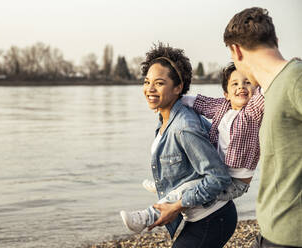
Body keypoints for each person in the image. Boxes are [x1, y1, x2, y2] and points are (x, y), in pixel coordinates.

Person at [120, 43, 237, 248]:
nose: (150, 89)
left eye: (159, 83)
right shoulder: (166, 118)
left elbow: (218, 177)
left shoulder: (184, 127)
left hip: (212, 217)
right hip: (199, 216)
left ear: (178, 87)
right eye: (147, 82)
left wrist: (176, 205)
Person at [224, 7, 302, 248]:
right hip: (271, 231)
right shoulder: (272, 89)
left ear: (236, 50)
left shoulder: (295, 79)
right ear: (275, 41)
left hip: (291, 237)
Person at [143, 62, 265, 202]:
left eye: (247, 82)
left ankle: (160, 203)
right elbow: (201, 103)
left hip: (236, 183)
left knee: (191, 191)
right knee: (193, 180)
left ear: (255, 89)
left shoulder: (253, 112)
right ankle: (167, 185)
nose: (241, 87)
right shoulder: (222, 107)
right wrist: (168, 101)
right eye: (235, 84)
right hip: (219, 169)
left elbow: (264, 92)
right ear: (226, 94)